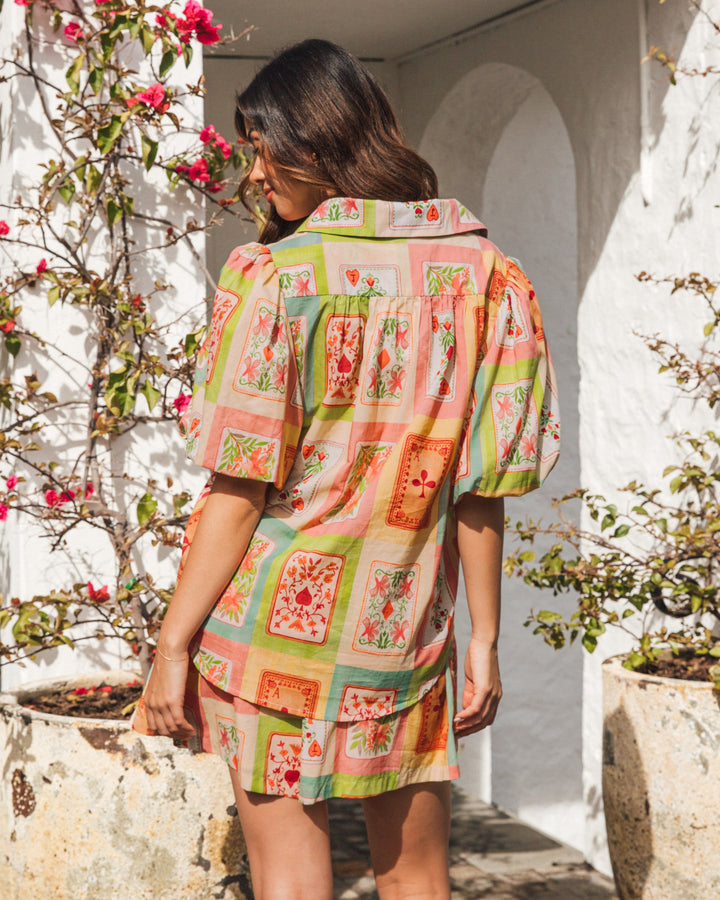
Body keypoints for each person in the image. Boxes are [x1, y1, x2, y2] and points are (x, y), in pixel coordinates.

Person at [132, 38, 560, 900]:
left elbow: (241, 484)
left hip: (266, 642)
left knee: (292, 880)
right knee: (417, 878)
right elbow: (481, 485)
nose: (254, 174)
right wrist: (482, 638)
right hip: (405, 633)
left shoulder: (278, 279)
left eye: (260, 147)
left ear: (316, 143)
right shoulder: (485, 277)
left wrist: (171, 643)